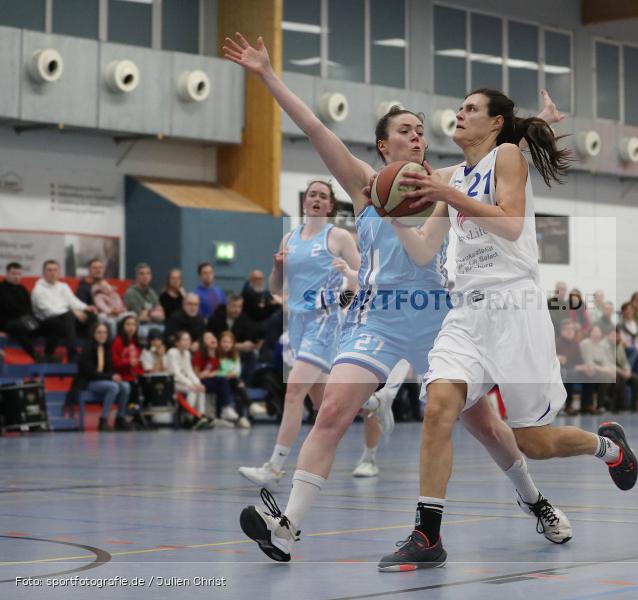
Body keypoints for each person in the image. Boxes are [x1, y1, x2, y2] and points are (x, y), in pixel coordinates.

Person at [224, 33, 575, 564]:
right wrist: (268, 75)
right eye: (405, 131)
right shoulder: (368, 186)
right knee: (334, 411)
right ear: (384, 146)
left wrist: (538, 128)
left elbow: (495, 163)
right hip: (379, 320)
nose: (417, 136)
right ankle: (288, 524)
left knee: (489, 429)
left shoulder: (441, 182)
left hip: (441, 320)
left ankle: (537, 502)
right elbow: (315, 128)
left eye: (420, 130)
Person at [377, 87, 638, 570]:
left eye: (471, 109)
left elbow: (512, 223)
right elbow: (420, 248)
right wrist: (391, 212)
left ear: (495, 124)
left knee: (532, 444)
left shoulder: (507, 158)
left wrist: (448, 192)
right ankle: (427, 535)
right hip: (466, 312)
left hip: (515, 308)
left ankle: (607, 446)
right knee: (438, 407)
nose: (460, 113)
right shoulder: (453, 177)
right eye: (460, 107)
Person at [237, 178, 362, 488]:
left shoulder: (339, 237)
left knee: (294, 391)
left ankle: (275, 466)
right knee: (322, 400)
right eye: (312, 195)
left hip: (324, 320)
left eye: (323, 196)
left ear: (330, 205)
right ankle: (374, 403)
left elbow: (363, 275)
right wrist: (278, 269)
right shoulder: (290, 238)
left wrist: (345, 294)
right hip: (296, 323)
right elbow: (275, 288)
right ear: (305, 202)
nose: (317, 199)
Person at [31, 259, 95, 360]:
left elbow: (73, 301)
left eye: (55, 270)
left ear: (59, 272)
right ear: (43, 273)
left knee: (91, 316)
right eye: (49, 270)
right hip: (47, 322)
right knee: (68, 316)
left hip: (65, 320)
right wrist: (73, 312)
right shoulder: (38, 290)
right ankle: (72, 354)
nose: (53, 273)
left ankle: (92, 353)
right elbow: (48, 311)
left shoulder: (63, 286)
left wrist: (86, 307)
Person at [77, 322, 131, 431]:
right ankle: (103, 420)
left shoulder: (107, 348)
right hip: (90, 382)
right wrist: (110, 377)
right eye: (99, 333)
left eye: (105, 333)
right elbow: (90, 373)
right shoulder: (87, 348)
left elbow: (110, 368)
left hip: (104, 380)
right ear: (93, 334)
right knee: (113, 387)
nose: (102, 335)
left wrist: (114, 375)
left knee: (125, 386)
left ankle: (120, 418)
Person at [164, 330, 213, 429]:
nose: (188, 342)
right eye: (184, 340)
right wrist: (191, 384)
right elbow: (176, 374)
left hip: (183, 382)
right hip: (172, 382)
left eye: (189, 340)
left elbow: (189, 371)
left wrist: (197, 383)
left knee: (200, 388)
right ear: (177, 342)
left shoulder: (187, 353)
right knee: (192, 389)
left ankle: (200, 415)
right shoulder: (172, 352)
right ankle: (189, 417)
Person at [193, 331, 238, 423]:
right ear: (203, 343)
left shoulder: (218, 354)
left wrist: (214, 373)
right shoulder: (199, 355)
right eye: (208, 338)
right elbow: (195, 375)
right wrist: (202, 374)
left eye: (213, 336)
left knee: (227, 381)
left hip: (215, 380)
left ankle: (221, 413)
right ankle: (225, 409)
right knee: (223, 382)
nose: (212, 339)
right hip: (202, 382)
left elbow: (222, 371)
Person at [0, 262, 40, 359]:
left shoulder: (23, 289)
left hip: (24, 322)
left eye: (18, 274)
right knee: (20, 327)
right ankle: (36, 356)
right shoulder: (1, 289)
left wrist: (33, 322)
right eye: (13, 273)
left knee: (42, 325)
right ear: (7, 274)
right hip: (6, 323)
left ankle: (46, 355)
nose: (16, 277)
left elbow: (29, 310)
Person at [218, 331, 251, 429]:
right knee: (237, 384)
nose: (226, 344)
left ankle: (240, 418)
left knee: (238, 388)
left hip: (232, 381)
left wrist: (232, 375)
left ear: (233, 344)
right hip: (220, 381)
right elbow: (217, 370)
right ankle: (249, 405)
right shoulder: (216, 354)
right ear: (220, 342)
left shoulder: (235, 355)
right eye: (224, 342)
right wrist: (227, 374)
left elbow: (237, 371)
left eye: (229, 342)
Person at [123, 263, 165, 338]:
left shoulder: (152, 292)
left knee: (166, 331)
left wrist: (148, 313)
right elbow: (139, 317)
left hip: (154, 324)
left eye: (148, 273)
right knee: (147, 333)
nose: (145, 276)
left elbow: (161, 315)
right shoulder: (131, 293)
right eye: (142, 274)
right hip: (139, 326)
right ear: (137, 276)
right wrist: (152, 312)